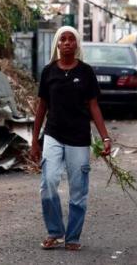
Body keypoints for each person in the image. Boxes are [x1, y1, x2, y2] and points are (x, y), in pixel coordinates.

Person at [30, 26, 112, 252]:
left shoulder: (85, 72)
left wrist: (105, 137)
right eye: (63, 39)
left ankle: (73, 236)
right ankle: (55, 231)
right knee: (48, 184)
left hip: (79, 139)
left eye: (71, 39)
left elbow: (93, 106)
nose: (67, 43)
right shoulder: (49, 72)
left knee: (78, 191)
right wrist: (35, 140)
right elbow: (42, 107)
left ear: (77, 45)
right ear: (57, 44)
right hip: (53, 135)